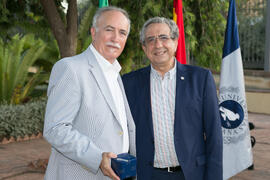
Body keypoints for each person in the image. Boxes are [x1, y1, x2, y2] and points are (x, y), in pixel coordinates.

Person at [122, 17, 222, 180]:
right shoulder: (129, 83)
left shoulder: (200, 79)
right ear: (144, 48)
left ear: (175, 42)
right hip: (147, 175)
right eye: (151, 40)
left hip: (190, 174)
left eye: (163, 37)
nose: (158, 45)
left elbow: (214, 135)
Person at [43, 6, 135, 180]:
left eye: (122, 33)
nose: (116, 38)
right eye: (109, 30)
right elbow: (55, 128)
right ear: (94, 32)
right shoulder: (71, 68)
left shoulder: (115, 75)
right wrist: (97, 158)